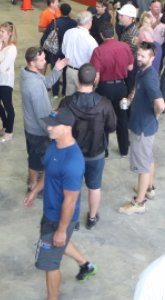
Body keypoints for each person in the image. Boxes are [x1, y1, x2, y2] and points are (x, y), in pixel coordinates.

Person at [24, 106, 97, 299]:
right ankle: (85, 265)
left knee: (49, 263)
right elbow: (49, 171)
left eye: (54, 125)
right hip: (50, 212)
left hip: (60, 216)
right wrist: (35, 191)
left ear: (67, 127)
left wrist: (62, 229)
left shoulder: (73, 161)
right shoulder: (54, 144)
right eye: (49, 123)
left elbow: (71, 201)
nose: (49, 128)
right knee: (58, 245)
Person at [57, 64, 116, 229]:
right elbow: (112, 127)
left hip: (72, 154)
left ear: (77, 78)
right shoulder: (104, 104)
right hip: (96, 153)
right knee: (94, 186)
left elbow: (58, 125)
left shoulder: (67, 102)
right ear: (96, 79)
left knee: (72, 188)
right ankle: (91, 218)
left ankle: (73, 220)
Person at [120, 42, 164, 215]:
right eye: (138, 55)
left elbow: (160, 104)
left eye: (143, 56)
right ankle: (149, 188)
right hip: (143, 124)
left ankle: (139, 202)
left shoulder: (149, 78)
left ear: (152, 58)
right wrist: (131, 98)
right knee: (148, 158)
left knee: (143, 165)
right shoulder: (142, 73)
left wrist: (155, 115)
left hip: (143, 127)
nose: (139, 58)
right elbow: (137, 92)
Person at [21, 47, 68, 193]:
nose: (45, 61)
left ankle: (33, 179)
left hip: (30, 127)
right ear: (32, 62)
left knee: (34, 155)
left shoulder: (28, 73)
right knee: (38, 159)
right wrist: (52, 131)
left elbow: (46, 83)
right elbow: (42, 115)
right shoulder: (34, 85)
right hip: (38, 131)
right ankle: (34, 186)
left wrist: (57, 69)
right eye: (42, 60)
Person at [90, 22, 134, 157]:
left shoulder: (98, 51)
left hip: (104, 89)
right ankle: (124, 149)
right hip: (121, 88)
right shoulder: (125, 46)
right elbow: (131, 67)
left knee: (103, 119)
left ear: (102, 35)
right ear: (113, 32)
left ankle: (105, 152)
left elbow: (95, 76)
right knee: (122, 118)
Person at [0, 22, 18, 143]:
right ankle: (5, 125)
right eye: (0, 30)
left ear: (9, 34)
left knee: (7, 105)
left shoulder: (12, 49)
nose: (0, 33)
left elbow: (2, 68)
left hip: (6, 80)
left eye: (3, 31)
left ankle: (9, 132)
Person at [41, 3, 76, 99]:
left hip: (55, 51)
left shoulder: (55, 22)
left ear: (60, 11)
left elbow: (46, 37)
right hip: (67, 51)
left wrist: (44, 50)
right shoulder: (74, 23)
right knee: (65, 72)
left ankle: (55, 93)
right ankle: (64, 92)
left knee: (55, 70)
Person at [60, 11, 97, 97]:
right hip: (83, 74)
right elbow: (94, 59)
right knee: (83, 99)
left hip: (69, 70)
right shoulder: (90, 40)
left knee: (70, 99)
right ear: (89, 22)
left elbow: (63, 51)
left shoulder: (68, 32)